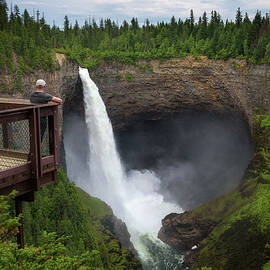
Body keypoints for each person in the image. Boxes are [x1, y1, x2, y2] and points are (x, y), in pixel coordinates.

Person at [29, 79, 62, 153]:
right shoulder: (45, 96)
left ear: (36, 86)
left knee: (33, 138)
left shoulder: (31, 95)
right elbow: (59, 101)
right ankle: (34, 156)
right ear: (44, 86)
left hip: (32, 119)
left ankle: (31, 155)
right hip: (41, 120)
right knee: (39, 138)